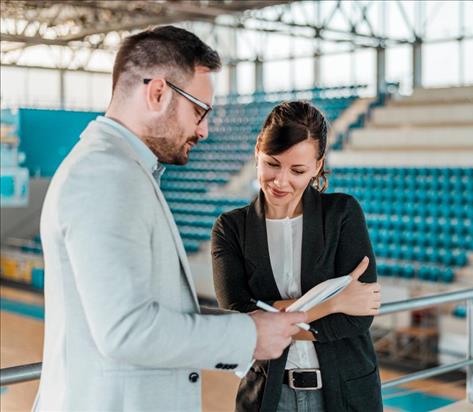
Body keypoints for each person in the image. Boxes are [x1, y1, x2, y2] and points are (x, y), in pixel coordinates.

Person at [34, 26, 306, 412]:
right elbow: (126, 331)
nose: (204, 130)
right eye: (199, 110)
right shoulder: (106, 176)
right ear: (158, 92)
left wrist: (253, 323)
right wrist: (249, 335)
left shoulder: (121, 170)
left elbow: (142, 312)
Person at [211, 101, 383, 412]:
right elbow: (239, 318)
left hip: (345, 391)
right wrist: (333, 303)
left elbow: (359, 317)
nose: (281, 181)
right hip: (268, 395)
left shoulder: (342, 213)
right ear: (257, 153)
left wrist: (271, 320)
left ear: (317, 166)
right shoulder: (231, 228)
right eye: (272, 164)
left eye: (298, 170)